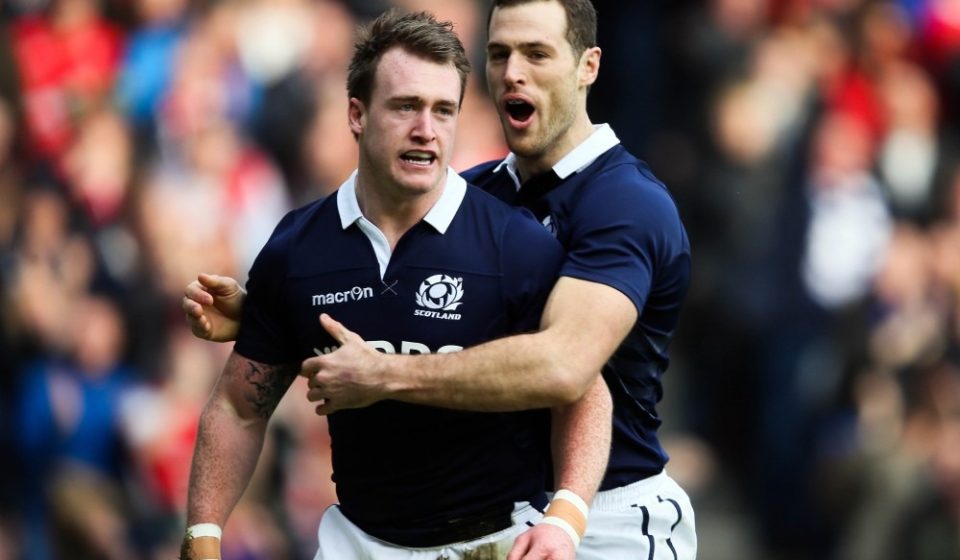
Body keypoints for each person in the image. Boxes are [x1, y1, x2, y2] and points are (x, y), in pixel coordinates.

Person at [183, 1, 697, 558]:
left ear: (588, 66)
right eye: (499, 54)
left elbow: (564, 366)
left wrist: (384, 374)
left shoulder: (626, 203)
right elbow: (385, 290)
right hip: (502, 516)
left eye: (537, 53)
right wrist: (273, 311)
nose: (513, 73)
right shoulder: (471, 195)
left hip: (607, 509)